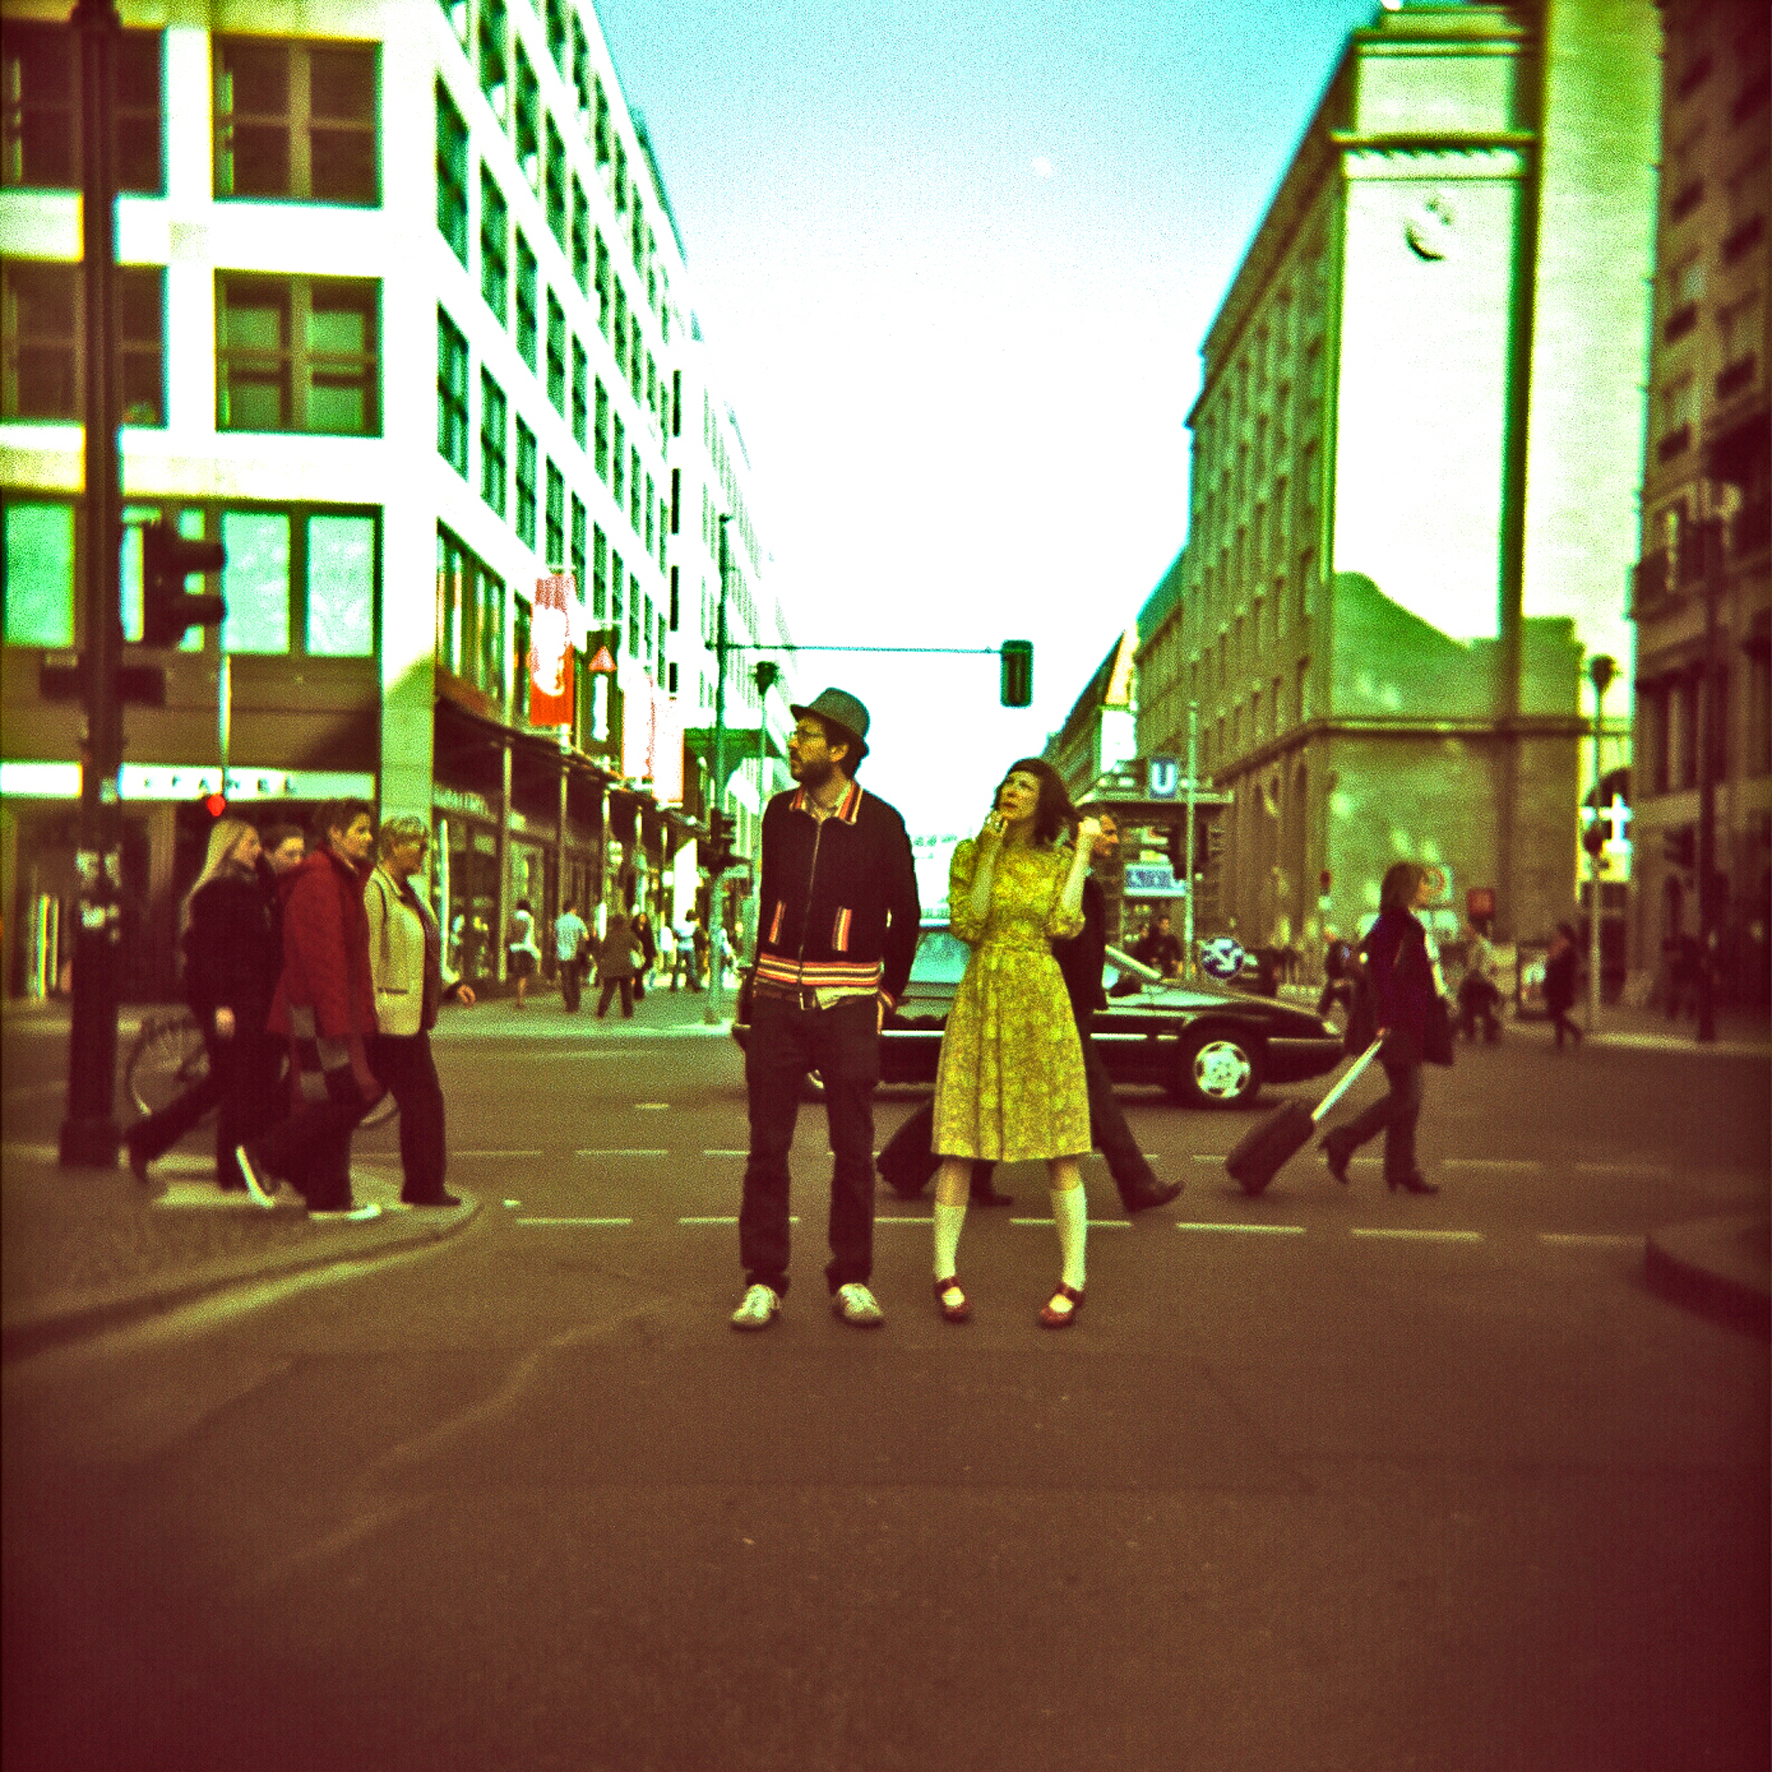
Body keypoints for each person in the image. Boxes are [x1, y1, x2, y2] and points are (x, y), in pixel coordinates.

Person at [877, 811, 1183, 1216]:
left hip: (1062, 1003)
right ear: (1080, 832)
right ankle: (1137, 1184)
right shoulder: (1062, 873)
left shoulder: (1080, 876)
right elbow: (1061, 944)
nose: (1113, 839)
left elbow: (1087, 949)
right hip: (1051, 1005)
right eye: (1107, 831)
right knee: (1094, 1096)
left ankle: (915, 1167)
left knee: (989, 1088)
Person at [732, 688, 919, 1332]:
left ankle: (852, 1278)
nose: (793, 743)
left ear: (840, 750)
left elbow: (906, 917)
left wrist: (885, 996)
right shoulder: (777, 814)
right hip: (778, 1002)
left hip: (848, 1006)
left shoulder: (882, 822)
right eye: (797, 733)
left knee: (852, 1149)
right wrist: (757, 980)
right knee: (766, 1148)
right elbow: (771, 904)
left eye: (806, 735)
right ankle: (763, 1280)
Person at [927, 760, 1099, 1330]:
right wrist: (989, 852)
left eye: (1026, 786)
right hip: (983, 993)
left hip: (1040, 998)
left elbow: (1064, 924)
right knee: (960, 1139)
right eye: (1009, 782)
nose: (1012, 791)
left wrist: (1081, 852)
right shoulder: (970, 853)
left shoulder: (1057, 860)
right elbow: (969, 924)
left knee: (1060, 1143)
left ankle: (1074, 1276)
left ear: (1044, 801)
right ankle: (944, 1271)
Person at [238, 800, 386, 1221]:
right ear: (335, 833)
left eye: (369, 829)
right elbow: (323, 957)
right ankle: (264, 1152)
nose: (368, 837)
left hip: (327, 1007)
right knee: (349, 1096)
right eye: (360, 829)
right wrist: (338, 1021)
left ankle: (328, 1197)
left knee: (327, 1100)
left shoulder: (339, 876)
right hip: (319, 1010)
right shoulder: (321, 878)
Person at [125, 817, 284, 1192]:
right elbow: (210, 956)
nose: (257, 851)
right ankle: (227, 1166)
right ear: (227, 848)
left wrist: (261, 865)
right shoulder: (216, 893)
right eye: (249, 843)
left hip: (252, 998)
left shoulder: (251, 887)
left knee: (227, 1083)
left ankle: (154, 1142)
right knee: (235, 1083)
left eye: (258, 844)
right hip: (230, 1001)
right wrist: (220, 1005)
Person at [365, 816, 476, 1207]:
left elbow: (424, 949)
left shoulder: (409, 892)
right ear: (394, 845)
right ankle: (424, 1187)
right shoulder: (376, 891)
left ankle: (423, 1185)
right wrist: (369, 1013)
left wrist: (450, 982)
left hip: (407, 1019)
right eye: (419, 845)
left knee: (366, 1100)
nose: (425, 853)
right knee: (422, 1102)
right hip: (388, 1018)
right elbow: (368, 957)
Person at [1318, 861, 1443, 1196]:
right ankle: (1343, 1140)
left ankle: (1402, 1167)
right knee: (1408, 1094)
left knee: (1410, 1095)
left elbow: (1367, 964)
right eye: (1422, 882)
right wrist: (1385, 1016)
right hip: (1396, 1022)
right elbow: (1379, 971)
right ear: (1408, 888)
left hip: (1407, 1019)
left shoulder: (1400, 921)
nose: (1427, 888)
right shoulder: (1395, 922)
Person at [1457, 922, 1503, 1043]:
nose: (1465, 933)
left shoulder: (1483, 945)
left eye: (1467, 930)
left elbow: (1483, 967)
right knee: (1472, 1008)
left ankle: (1488, 1033)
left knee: (1482, 1008)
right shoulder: (1475, 945)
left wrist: (1473, 977)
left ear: (1474, 930)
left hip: (1480, 982)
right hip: (1475, 981)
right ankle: (1474, 1033)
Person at [594, 912, 642, 1018]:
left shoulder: (609, 935)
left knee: (608, 990)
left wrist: (600, 961)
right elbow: (636, 946)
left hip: (611, 966)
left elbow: (602, 949)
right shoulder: (629, 934)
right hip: (625, 965)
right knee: (626, 990)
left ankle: (602, 1010)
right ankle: (627, 1012)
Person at [1544, 921, 1583, 1049]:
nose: (1556, 935)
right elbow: (1550, 966)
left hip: (1563, 988)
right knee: (1556, 1013)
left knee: (1556, 1013)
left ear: (1565, 936)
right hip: (1554, 986)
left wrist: (1554, 960)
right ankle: (1570, 1035)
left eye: (1558, 933)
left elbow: (1567, 971)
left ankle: (1570, 1035)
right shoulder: (1558, 948)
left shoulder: (1570, 952)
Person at [554, 901, 589, 1011]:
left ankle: (568, 1002)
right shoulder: (577, 921)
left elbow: (555, 936)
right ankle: (575, 1002)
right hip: (575, 953)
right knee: (575, 978)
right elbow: (586, 937)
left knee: (566, 979)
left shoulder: (558, 921)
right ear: (573, 909)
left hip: (562, 954)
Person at [507, 898, 539, 1007]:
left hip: (514, 948)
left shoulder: (512, 917)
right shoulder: (530, 918)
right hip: (525, 948)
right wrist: (535, 950)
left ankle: (515, 995)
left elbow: (509, 933)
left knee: (515, 974)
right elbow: (530, 936)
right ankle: (520, 999)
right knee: (523, 976)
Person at [1131, 910, 1183, 977]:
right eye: (1163, 923)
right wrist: (1151, 959)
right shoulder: (1152, 937)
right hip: (1153, 967)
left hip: (1167, 967)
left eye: (1167, 924)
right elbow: (1145, 951)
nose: (1165, 926)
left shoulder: (1172, 938)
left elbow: (1178, 953)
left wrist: (1176, 962)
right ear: (1159, 924)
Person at [631, 911, 657, 1001]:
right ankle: (638, 992)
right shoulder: (633, 929)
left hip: (646, 953)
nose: (642, 919)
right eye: (641, 917)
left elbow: (651, 941)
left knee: (640, 973)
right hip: (635, 954)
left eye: (644, 918)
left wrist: (654, 953)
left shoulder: (648, 929)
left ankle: (638, 992)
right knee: (638, 974)